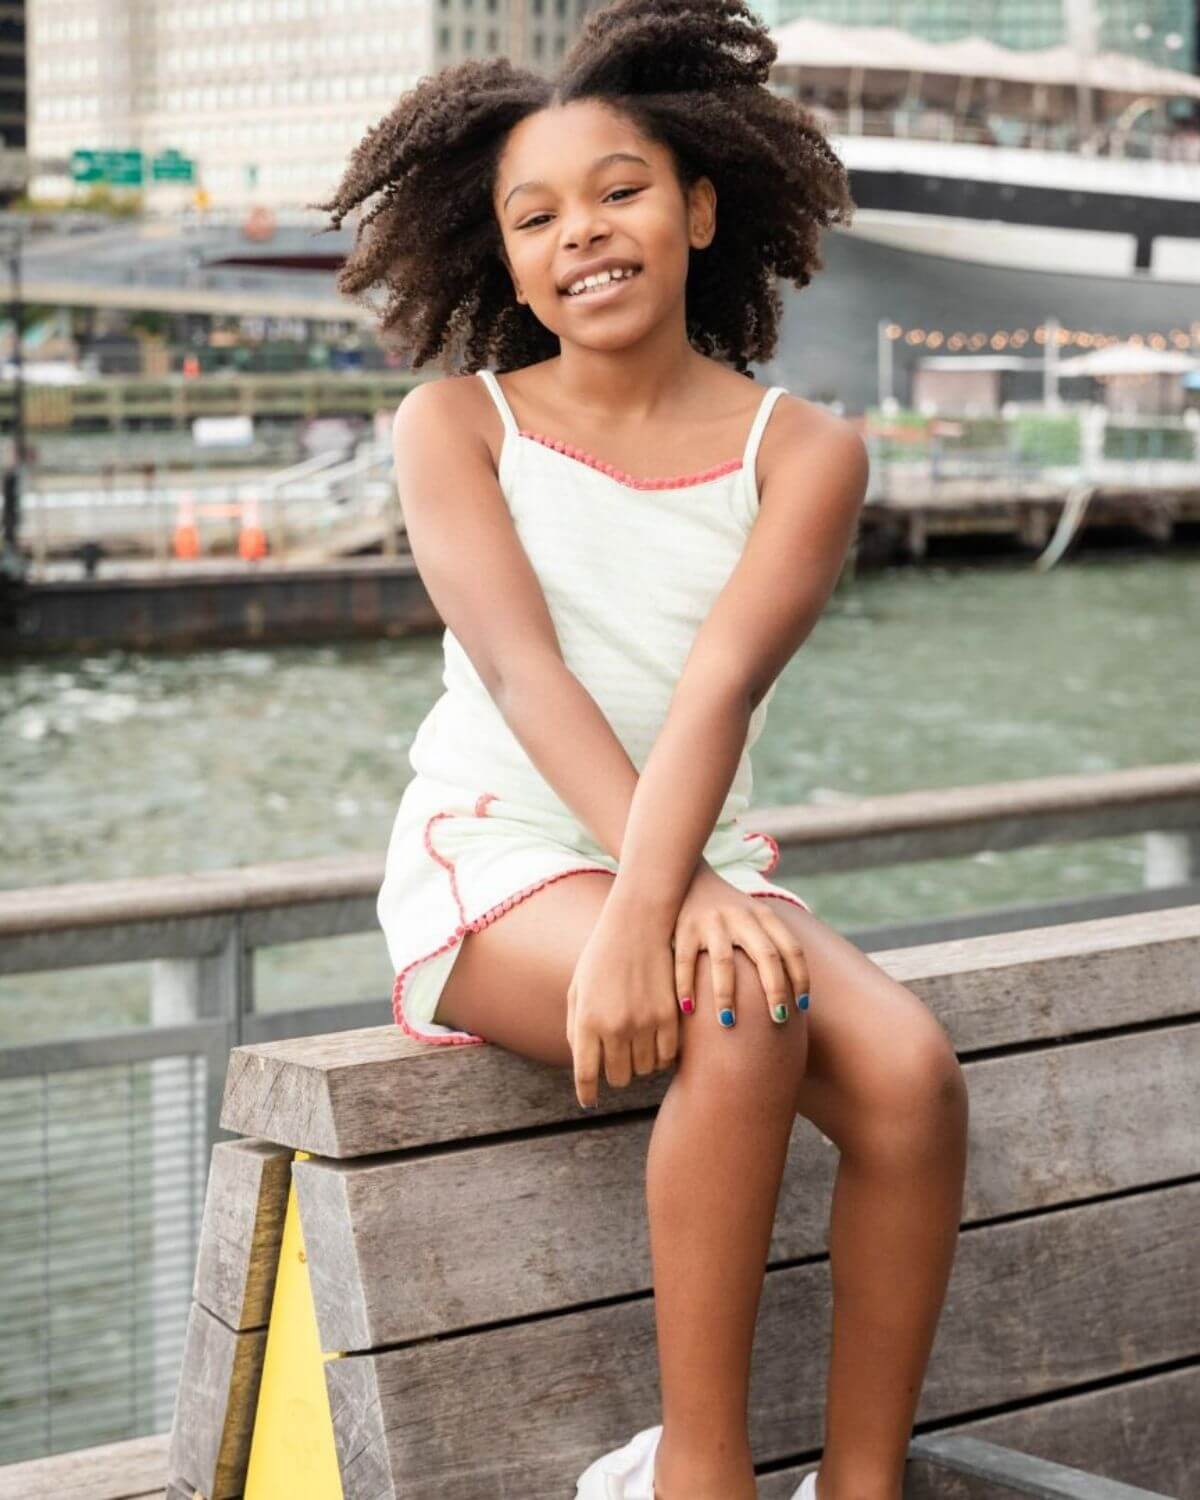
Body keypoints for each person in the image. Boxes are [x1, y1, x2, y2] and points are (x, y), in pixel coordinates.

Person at [313, 3, 968, 1497]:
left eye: (618, 191)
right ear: (503, 256)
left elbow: (719, 691)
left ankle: (861, 1487)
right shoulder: (454, 424)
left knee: (915, 1078)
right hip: (500, 858)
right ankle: (705, 1477)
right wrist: (634, 915)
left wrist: (655, 899)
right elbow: (523, 672)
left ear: (700, 208)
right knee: (739, 1010)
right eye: (534, 217)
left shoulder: (801, 450)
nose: (583, 235)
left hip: (694, 864)